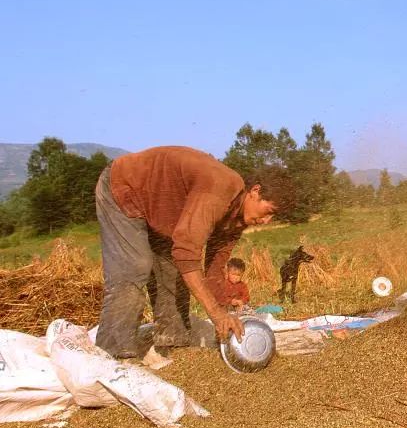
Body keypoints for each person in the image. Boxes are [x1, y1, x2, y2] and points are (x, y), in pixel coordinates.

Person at [94, 146, 276, 359]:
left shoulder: (236, 220)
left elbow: (215, 267)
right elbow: (187, 254)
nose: (266, 221)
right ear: (255, 191)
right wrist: (215, 314)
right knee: (135, 267)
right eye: (269, 211)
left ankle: (174, 340)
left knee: (172, 271)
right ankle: (114, 351)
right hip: (125, 187)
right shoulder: (219, 189)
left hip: (159, 211)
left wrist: (223, 312)